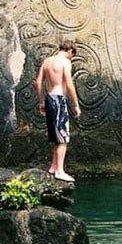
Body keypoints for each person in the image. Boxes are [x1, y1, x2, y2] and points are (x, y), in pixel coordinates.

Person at [34, 39, 81, 182]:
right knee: (63, 138)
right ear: (69, 51)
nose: (71, 57)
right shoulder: (65, 62)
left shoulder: (47, 61)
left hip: (49, 98)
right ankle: (60, 171)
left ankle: (53, 166)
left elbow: (38, 82)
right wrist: (75, 105)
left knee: (56, 136)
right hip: (59, 99)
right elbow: (69, 84)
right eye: (72, 55)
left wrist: (41, 101)